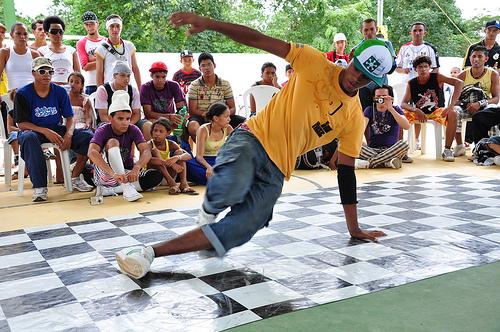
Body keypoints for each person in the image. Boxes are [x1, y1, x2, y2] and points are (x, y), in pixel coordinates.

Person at [115, 12, 392, 279]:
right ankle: (207, 210)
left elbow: (345, 170)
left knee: (243, 228)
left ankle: (149, 253)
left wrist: (354, 227)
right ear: (352, 57)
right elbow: (258, 39)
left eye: (366, 77)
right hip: (252, 138)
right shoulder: (313, 61)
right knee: (233, 182)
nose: (357, 78)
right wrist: (209, 24)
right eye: (358, 68)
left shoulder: (354, 118)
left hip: (278, 169)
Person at [14, 58, 94, 201]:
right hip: (33, 131)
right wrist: (44, 131)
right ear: (33, 73)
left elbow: (70, 118)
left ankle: (74, 176)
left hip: (56, 128)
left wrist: (69, 135)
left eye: (50, 71)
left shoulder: (60, 92)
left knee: (88, 137)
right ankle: (40, 188)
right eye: (42, 71)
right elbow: (21, 124)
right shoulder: (22, 93)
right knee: (29, 138)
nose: (47, 74)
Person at [88, 90, 163, 201]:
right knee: (113, 142)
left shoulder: (133, 129)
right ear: (110, 118)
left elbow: (146, 151)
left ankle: (110, 190)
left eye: (128, 119)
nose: (125, 122)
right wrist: (113, 174)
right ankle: (126, 187)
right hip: (107, 174)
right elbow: (91, 152)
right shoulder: (103, 129)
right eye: (120, 119)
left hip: (126, 172)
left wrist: (137, 167)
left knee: (155, 176)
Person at [401, 55, 463, 162]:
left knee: (453, 113)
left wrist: (451, 105)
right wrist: (415, 109)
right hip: (419, 112)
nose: (423, 69)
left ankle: (447, 150)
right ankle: (400, 152)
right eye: (420, 67)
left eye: (426, 66)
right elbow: (403, 103)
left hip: (437, 111)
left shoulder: (437, 77)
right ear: (415, 69)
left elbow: (459, 82)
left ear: (429, 67)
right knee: (399, 114)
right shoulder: (411, 83)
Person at [186, 52, 245, 142]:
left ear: (214, 65)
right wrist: (210, 116)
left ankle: (233, 150)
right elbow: (192, 110)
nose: (207, 68)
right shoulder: (194, 85)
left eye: (209, 64)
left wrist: (222, 116)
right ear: (200, 68)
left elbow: (232, 108)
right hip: (203, 117)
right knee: (193, 125)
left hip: (223, 116)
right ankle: (203, 151)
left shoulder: (225, 84)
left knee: (246, 123)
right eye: (203, 65)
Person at [355, 85, 410, 169]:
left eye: (384, 96)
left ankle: (370, 163)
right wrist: (360, 141)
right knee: (355, 144)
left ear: (391, 98)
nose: (381, 99)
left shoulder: (396, 109)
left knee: (404, 144)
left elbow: (406, 126)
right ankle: (386, 162)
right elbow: (361, 128)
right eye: (378, 97)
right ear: (374, 98)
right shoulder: (369, 110)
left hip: (391, 150)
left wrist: (390, 108)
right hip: (373, 149)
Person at [94, 61, 149, 138]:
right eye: (122, 75)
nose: (126, 79)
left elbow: (137, 114)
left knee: (148, 126)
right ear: (114, 76)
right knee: (106, 128)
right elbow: (103, 116)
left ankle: (149, 149)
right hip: (108, 123)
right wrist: (118, 125)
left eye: (128, 76)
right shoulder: (103, 90)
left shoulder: (133, 90)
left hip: (129, 122)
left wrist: (127, 125)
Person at [186, 102, 233, 185]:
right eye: (226, 117)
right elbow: (199, 157)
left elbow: (237, 147)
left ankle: (218, 179)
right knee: (188, 165)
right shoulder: (203, 129)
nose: (229, 119)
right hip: (204, 162)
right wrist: (208, 167)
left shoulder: (228, 128)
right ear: (216, 118)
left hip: (219, 160)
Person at [147, 117, 198, 195]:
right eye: (155, 131)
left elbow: (188, 156)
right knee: (155, 153)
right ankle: (172, 184)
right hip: (156, 177)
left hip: (170, 174)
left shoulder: (171, 143)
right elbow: (149, 160)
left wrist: (176, 158)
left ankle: (183, 184)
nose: (157, 134)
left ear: (168, 133)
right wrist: (170, 163)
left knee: (179, 152)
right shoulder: (149, 144)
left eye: (161, 131)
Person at [95, 14, 141, 91]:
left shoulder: (129, 46)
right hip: (109, 89)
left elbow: (135, 68)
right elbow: (99, 73)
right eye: (112, 26)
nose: (115, 29)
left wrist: (140, 89)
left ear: (121, 28)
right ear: (107, 28)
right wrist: (101, 92)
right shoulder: (101, 48)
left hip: (127, 87)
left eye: (118, 26)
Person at [38, 16, 80, 88]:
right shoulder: (41, 51)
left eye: (60, 32)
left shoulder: (71, 50)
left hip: (70, 88)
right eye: (54, 32)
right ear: (47, 33)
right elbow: (39, 74)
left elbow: (78, 73)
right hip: (50, 88)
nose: (58, 34)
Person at [140, 61, 186, 127]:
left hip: (171, 119)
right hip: (154, 119)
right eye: (157, 77)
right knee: (150, 124)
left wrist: (177, 118)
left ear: (166, 76)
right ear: (151, 76)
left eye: (163, 77)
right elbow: (148, 113)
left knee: (183, 122)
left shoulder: (174, 85)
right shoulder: (145, 87)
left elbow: (181, 108)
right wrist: (169, 117)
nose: (160, 80)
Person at [0, 23, 40, 92]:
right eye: (18, 33)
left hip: (32, 95)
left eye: (25, 34)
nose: (22, 36)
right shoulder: (4, 52)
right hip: (13, 96)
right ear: (11, 35)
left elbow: (41, 77)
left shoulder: (35, 54)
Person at [76, 11, 104, 95]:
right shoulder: (81, 42)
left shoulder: (106, 41)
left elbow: (111, 62)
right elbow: (85, 66)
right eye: (86, 24)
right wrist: (102, 59)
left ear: (97, 23)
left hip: (106, 82)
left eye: (91, 23)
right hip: (91, 84)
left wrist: (92, 59)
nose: (89, 26)